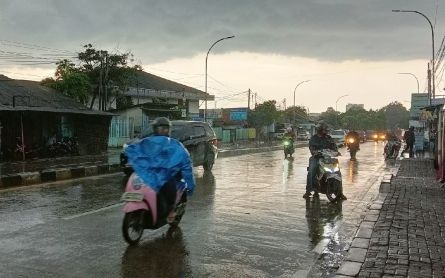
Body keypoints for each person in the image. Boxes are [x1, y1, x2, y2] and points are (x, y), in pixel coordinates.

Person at [125, 117, 195, 222]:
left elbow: (186, 164)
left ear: (169, 130)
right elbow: (134, 149)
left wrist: (190, 185)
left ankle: (171, 211)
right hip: (151, 174)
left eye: (165, 128)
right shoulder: (147, 142)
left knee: (169, 187)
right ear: (155, 129)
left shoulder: (174, 144)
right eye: (160, 128)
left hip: (169, 176)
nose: (162, 131)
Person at [304, 122, 347, 200]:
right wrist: (315, 152)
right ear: (320, 130)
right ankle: (308, 190)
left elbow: (334, 146)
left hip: (328, 158)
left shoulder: (329, 138)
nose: (326, 132)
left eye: (326, 130)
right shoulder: (314, 138)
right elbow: (311, 148)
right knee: (312, 170)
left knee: (338, 172)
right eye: (324, 130)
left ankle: (340, 193)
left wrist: (336, 151)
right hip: (316, 157)